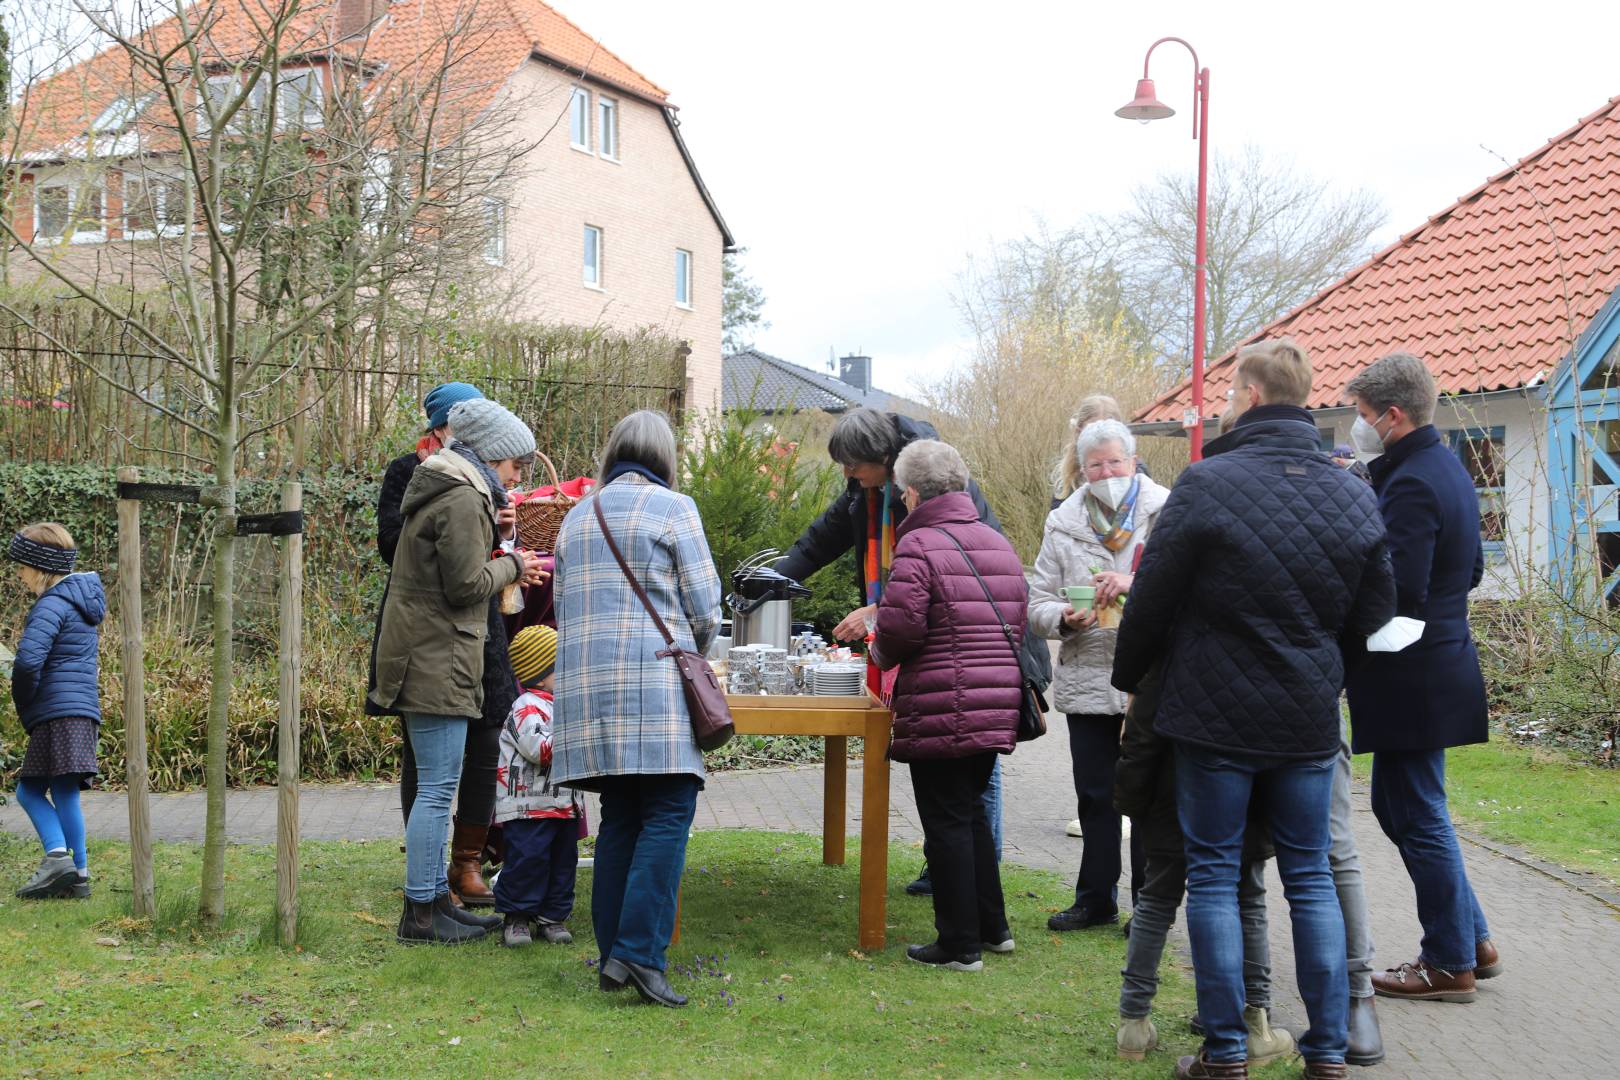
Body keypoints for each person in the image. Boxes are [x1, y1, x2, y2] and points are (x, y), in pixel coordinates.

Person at [1112, 337, 1395, 1080]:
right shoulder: (1354, 492)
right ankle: (1327, 1051)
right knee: (1309, 878)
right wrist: (1325, 673)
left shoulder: (1207, 484)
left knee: (1210, 875)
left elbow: (1152, 599)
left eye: (1235, 393)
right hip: (1304, 718)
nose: (1230, 404)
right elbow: (1376, 617)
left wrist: (1130, 677)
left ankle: (1225, 1052)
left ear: (1255, 395)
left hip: (1212, 717)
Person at [777, 407, 1051, 895]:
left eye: (853, 465)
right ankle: (954, 872)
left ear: (885, 459)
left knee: (972, 770)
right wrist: (775, 580)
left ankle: (969, 881)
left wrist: (880, 611)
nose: (847, 475)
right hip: (936, 646)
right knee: (949, 773)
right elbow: (823, 538)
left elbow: (961, 570)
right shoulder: (868, 491)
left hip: (983, 652)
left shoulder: (938, 488)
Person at [1344, 352, 1503, 1004]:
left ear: (1393, 414)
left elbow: (1395, 589)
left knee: (1415, 811)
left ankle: (1446, 961)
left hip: (1412, 672)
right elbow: (1468, 572)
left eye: (1359, 416)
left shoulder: (1410, 483)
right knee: (1405, 805)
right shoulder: (1445, 468)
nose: (1355, 427)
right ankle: (1474, 940)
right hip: (1439, 660)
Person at [551, 410, 722, 1009]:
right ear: (665, 457)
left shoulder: (576, 518)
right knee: (670, 811)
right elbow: (706, 608)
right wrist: (693, 656)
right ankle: (640, 956)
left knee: (622, 817)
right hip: (656, 689)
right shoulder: (675, 509)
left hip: (589, 694)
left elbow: (563, 605)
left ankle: (613, 955)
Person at [371, 398, 547, 945]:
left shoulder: (448, 487)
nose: (517, 475)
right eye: (515, 464)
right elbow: (467, 585)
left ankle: (431, 906)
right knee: (437, 788)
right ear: (493, 456)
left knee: (435, 785)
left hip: (430, 651)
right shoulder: (464, 499)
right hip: (435, 656)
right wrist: (516, 563)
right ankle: (423, 912)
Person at [870, 440, 1022, 971]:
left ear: (910, 493)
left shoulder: (918, 545)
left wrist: (877, 649)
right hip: (997, 697)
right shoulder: (996, 541)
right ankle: (992, 927)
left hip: (942, 699)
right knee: (972, 812)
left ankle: (959, 944)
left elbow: (902, 628)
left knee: (947, 820)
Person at [1112, 662, 1292, 1067]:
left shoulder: (1172, 646)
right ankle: (1255, 1020)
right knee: (1248, 899)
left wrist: (1133, 799)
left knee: (1156, 901)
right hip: (1245, 793)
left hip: (1169, 793)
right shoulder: (1264, 643)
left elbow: (1139, 734)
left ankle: (1133, 1021)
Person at [1029, 419, 1166, 932]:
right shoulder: (1062, 522)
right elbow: (1036, 601)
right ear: (1081, 469)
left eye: (1114, 462)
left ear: (1133, 461)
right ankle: (1095, 898)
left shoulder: (1166, 510)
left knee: (1148, 796)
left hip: (1149, 679)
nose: (1106, 472)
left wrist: (1134, 581)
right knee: (1095, 794)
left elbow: (1187, 586)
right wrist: (1061, 619)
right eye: (1095, 465)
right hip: (1087, 672)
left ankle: (1149, 905)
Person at [7, 524, 104, 901]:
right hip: (82, 710)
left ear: (40, 567)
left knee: (29, 792)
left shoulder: (51, 604)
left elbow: (29, 663)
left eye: (23, 567)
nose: (20, 574)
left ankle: (57, 857)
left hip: (57, 712)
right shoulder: (83, 603)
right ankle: (78, 877)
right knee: (64, 792)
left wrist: (24, 704)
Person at [493, 624, 583, 948]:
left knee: (563, 862)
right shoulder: (527, 707)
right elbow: (541, 750)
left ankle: (553, 915)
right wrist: (578, 734)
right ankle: (516, 917)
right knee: (527, 861)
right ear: (541, 674)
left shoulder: (565, 703)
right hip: (528, 808)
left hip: (563, 806)